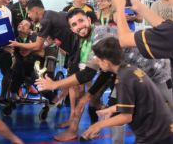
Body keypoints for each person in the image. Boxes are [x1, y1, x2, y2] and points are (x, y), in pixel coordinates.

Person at [36, 8, 173, 141]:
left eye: (81, 21)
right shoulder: (84, 42)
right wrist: (88, 96)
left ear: (89, 20)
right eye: (74, 24)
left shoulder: (99, 36)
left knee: (166, 112)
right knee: (113, 111)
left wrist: (55, 84)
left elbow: (88, 74)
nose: (79, 26)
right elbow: (105, 69)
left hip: (155, 71)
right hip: (130, 73)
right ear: (71, 29)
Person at [82, 37, 173, 143]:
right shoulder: (130, 70)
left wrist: (98, 125)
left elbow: (126, 117)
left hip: (154, 134)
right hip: (162, 129)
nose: (97, 63)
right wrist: (111, 109)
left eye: (98, 60)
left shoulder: (124, 79)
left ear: (106, 62)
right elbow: (137, 102)